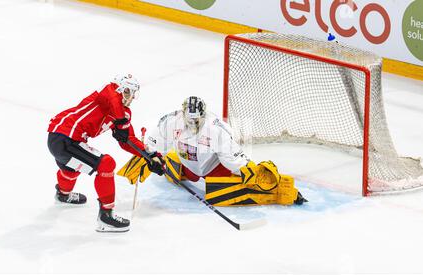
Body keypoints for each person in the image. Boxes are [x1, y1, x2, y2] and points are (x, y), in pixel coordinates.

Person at [120, 96, 306, 206]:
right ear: (183, 115)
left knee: (230, 188)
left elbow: (234, 159)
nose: (192, 124)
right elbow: (154, 143)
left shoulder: (216, 129)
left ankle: (282, 190)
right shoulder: (171, 121)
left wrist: (250, 173)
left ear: (204, 115)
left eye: (196, 121)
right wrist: (150, 158)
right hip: (187, 167)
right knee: (166, 165)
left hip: (214, 167)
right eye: (189, 120)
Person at [47, 74, 164, 232]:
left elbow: (128, 140)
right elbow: (112, 96)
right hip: (64, 136)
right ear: (120, 88)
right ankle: (106, 217)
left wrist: (150, 156)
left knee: (72, 167)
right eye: (127, 91)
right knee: (106, 164)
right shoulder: (107, 93)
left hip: (65, 141)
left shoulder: (123, 113)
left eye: (133, 94)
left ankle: (63, 194)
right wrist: (121, 121)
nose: (130, 97)